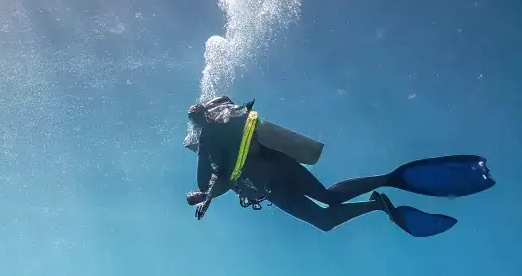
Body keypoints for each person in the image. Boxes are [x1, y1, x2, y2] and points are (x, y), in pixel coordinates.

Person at [185, 95, 495, 236]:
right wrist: (207, 196)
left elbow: (219, 178)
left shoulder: (215, 136)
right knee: (325, 219)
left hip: (278, 171)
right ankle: (378, 201)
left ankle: (386, 181)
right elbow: (220, 179)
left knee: (329, 200)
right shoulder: (215, 138)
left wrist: (206, 196)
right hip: (273, 187)